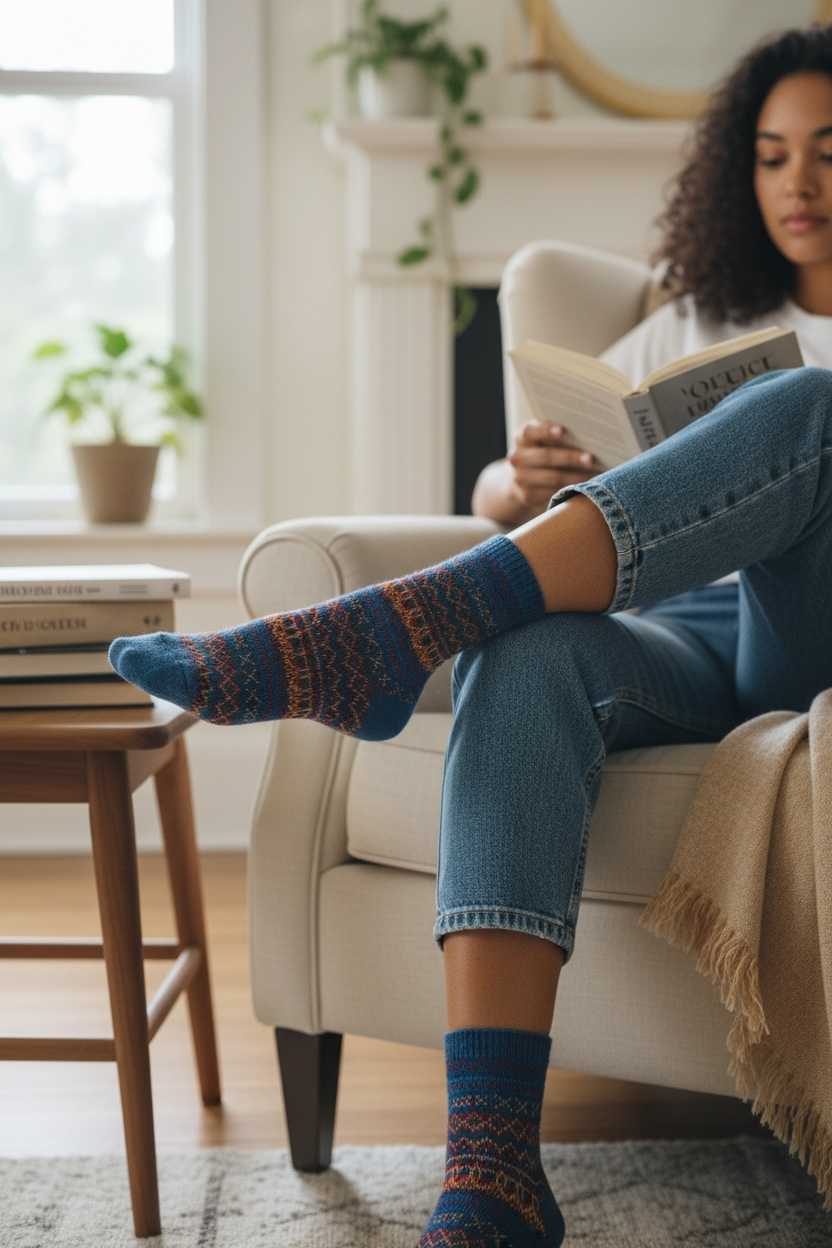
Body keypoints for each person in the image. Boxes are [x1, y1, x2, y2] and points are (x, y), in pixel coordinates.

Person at [110, 25, 832, 1248]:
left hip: (803, 641)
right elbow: (520, 490)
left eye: (827, 151)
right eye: (769, 156)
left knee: (808, 405)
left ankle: (391, 632)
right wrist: (517, 473)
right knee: (526, 653)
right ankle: (492, 1174)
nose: (797, 183)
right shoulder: (697, 313)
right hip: (674, 631)